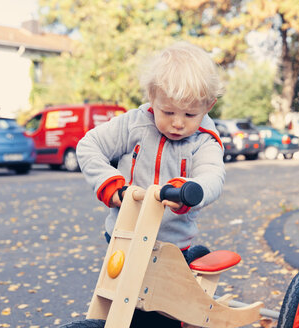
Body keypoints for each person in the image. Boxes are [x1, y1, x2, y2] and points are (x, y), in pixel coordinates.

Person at [76, 41, 226, 326]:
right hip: (123, 234)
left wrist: (188, 191)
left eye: (190, 114)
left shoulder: (204, 140)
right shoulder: (135, 124)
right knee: (117, 300)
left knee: (160, 313)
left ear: (208, 106)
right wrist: (111, 185)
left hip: (172, 243)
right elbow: (89, 145)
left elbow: (212, 176)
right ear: (152, 97)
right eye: (168, 112)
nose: (178, 123)